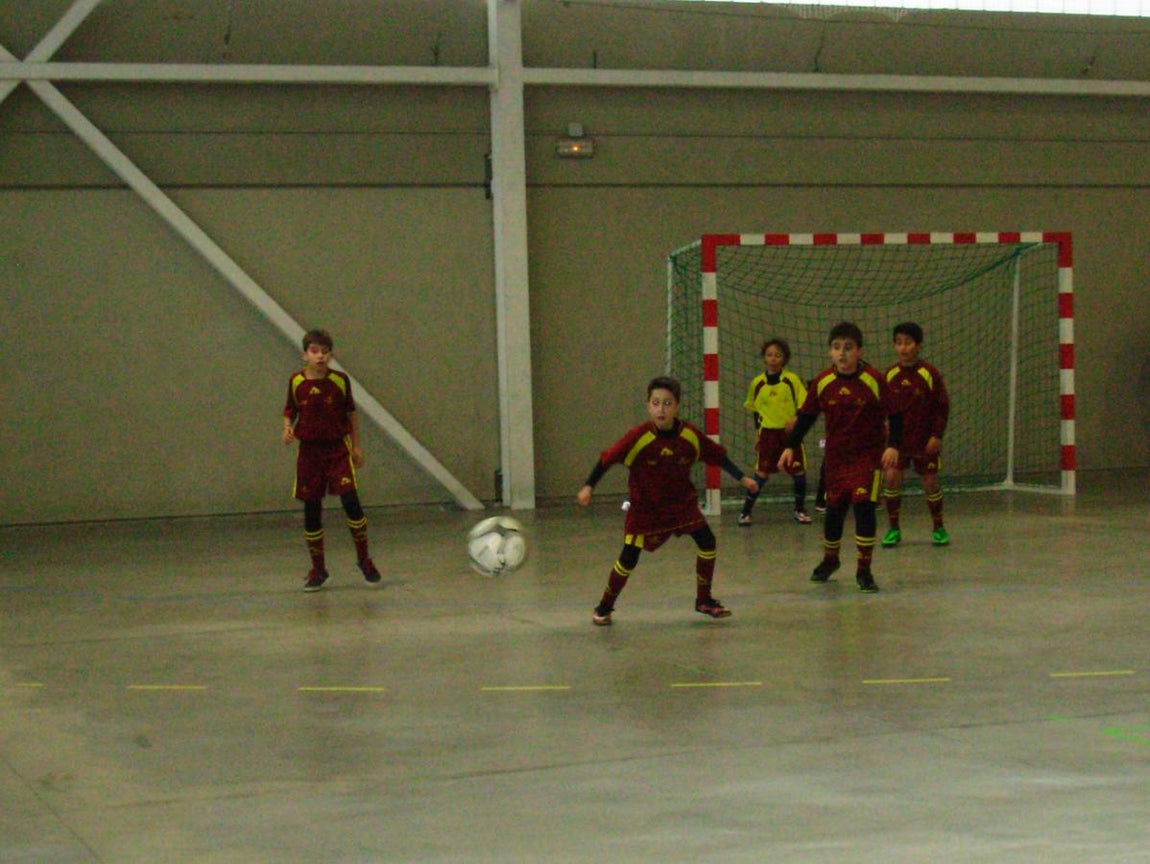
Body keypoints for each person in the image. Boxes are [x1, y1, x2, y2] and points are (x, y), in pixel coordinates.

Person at [577, 375, 759, 625]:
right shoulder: (638, 437)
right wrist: (589, 485)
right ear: (648, 405)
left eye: (667, 403)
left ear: (677, 406)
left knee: (707, 541)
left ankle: (704, 600)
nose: (661, 409)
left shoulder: (689, 435)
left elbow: (715, 455)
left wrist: (742, 478)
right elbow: (607, 458)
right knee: (629, 557)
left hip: (681, 506)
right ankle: (605, 606)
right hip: (646, 509)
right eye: (655, 403)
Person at [778, 322, 902, 593]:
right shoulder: (823, 381)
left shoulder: (874, 379)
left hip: (868, 457)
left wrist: (893, 445)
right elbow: (807, 416)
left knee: (864, 508)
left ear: (859, 350)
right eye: (836, 348)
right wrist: (790, 446)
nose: (842, 354)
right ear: (829, 352)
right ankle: (830, 560)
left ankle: (864, 569)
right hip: (836, 459)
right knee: (834, 511)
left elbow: (895, 414)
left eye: (848, 348)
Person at [282, 329, 382, 592]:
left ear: (331, 355)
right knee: (312, 509)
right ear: (305, 354)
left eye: (325, 351)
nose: (320, 356)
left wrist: (356, 447)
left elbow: (351, 415)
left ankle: (364, 560)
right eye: (315, 351)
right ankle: (319, 569)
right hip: (310, 453)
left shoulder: (340, 381)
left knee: (351, 502)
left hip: (337, 449)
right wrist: (287, 428)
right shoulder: (296, 382)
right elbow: (289, 411)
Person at [881, 322, 951, 548]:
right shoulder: (890, 375)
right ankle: (893, 529)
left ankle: (939, 527)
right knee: (891, 479)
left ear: (918, 345)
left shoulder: (929, 374)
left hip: (924, 441)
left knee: (930, 482)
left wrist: (936, 435)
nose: (903, 348)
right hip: (898, 444)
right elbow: (882, 408)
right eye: (899, 343)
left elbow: (942, 407)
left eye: (908, 343)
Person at [737, 338, 813, 526]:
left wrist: (796, 418)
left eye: (777, 355)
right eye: (769, 355)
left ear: (784, 359)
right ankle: (745, 512)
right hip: (768, 435)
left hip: (789, 436)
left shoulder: (791, 380)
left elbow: (806, 404)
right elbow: (755, 411)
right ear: (764, 358)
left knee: (799, 472)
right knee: (761, 473)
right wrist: (758, 433)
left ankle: (799, 510)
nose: (773, 359)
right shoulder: (758, 383)